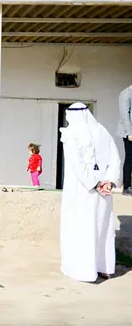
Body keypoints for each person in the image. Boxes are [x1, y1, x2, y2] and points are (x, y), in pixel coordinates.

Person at [60, 102, 121, 282]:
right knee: (102, 227)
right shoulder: (103, 131)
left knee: (79, 227)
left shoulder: (70, 134)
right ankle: (103, 267)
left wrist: (95, 184)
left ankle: (82, 270)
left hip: (81, 190)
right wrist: (108, 181)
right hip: (104, 190)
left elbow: (76, 165)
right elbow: (115, 158)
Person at [117, 84, 132, 197]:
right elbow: (125, 115)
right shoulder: (126, 93)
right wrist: (129, 133)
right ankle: (126, 186)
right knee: (130, 158)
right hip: (129, 132)